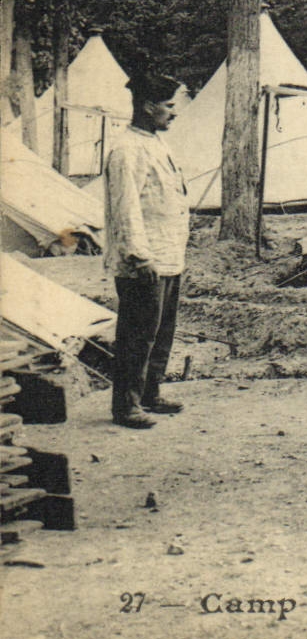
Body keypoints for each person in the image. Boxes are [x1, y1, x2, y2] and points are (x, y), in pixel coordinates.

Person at [103, 72, 190, 429]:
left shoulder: (157, 142)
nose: (174, 113)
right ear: (147, 106)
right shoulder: (126, 149)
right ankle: (127, 405)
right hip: (145, 260)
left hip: (169, 254)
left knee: (162, 331)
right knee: (138, 334)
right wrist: (140, 256)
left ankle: (151, 392)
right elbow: (125, 209)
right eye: (169, 106)